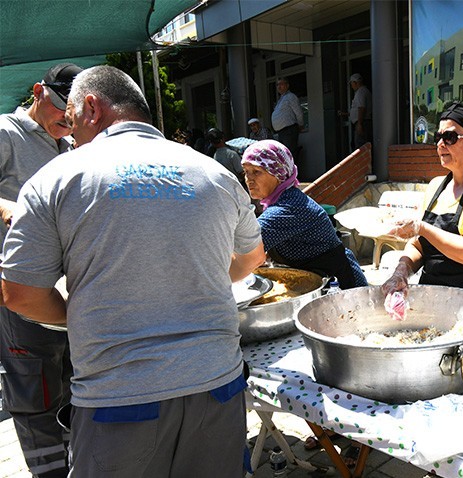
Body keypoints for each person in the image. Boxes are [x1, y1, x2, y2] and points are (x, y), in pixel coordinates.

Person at [1, 65, 266, 477]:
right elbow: (251, 259)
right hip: (219, 386)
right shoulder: (216, 174)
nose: (71, 138)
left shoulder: (54, 180)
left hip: (118, 402)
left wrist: (87, 314)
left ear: (91, 107)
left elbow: (19, 294)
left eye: (72, 123)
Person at [0, 62, 80, 478]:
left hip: (65, 288)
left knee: (69, 381)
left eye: (72, 118)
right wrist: (6, 207)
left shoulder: (68, 147)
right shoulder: (5, 133)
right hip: (21, 286)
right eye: (58, 111)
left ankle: (72, 465)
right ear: (37, 92)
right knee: (34, 388)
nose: (65, 123)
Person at [381, 102, 463, 304]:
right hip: (434, 299)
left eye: (449, 137)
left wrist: (421, 227)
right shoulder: (436, 186)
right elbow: (419, 246)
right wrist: (401, 271)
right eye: (438, 137)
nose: (440, 144)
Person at [241, 139, 367, 289]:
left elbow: (245, 248)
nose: (249, 179)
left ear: (279, 173)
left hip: (339, 284)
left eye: (257, 172)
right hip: (316, 278)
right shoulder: (282, 199)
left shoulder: (288, 208)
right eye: (246, 171)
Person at [270, 77, 303, 154]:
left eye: (281, 84)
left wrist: (300, 124)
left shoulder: (291, 96)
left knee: (289, 155)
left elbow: (298, 112)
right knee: (284, 156)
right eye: (277, 84)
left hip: (289, 131)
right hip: (282, 132)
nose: (279, 86)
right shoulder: (281, 99)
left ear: (287, 85)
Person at [343, 73, 372, 150]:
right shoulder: (364, 91)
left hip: (362, 122)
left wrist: (359, 124)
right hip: (363, 122)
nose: (351, 86)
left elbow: (361, 108)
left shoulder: (361, 92)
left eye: (352, 83)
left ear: (355, 82)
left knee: (360, 147)